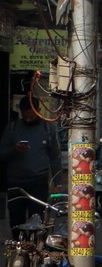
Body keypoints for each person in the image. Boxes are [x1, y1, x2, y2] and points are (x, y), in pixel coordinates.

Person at [2, 98, 63, 232]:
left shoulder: (47, 128)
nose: (28, 119)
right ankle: (18, 245)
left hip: (38, 182)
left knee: (37, 219)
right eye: (25, 116)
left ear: (38, 111)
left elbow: (54, 157)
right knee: (16, 220)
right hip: (15, 183)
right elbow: (2, 153)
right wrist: (14, 150)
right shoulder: (12, 128)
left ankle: (35, 248)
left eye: (31, 115)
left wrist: (57, 184)